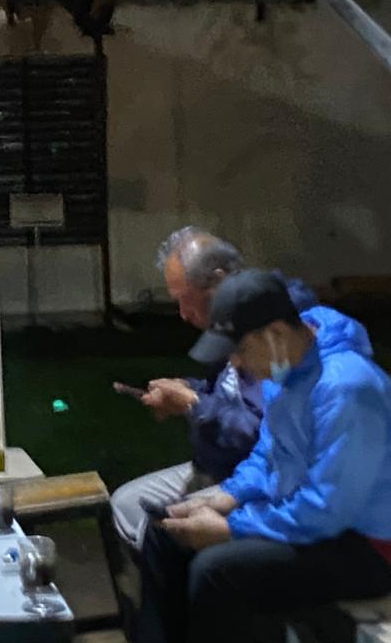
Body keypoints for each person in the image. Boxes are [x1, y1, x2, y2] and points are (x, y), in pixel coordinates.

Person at [127, 270, 391, 643]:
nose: (234, 364)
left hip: (371, 546)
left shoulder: (346, 388)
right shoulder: (286, 374)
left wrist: (231, 528)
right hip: (317, 519)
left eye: (240, 350)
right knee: (165, 535)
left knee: (218, 571)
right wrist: (224, 497)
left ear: (276, 334)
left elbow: (326, 509)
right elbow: (268, 456)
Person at [110, 227, 318, 550]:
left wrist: (193, 404)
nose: (183, 314)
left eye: (185, 298)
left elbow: (260, 432)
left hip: (262, 477)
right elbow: (230, 391)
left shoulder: (273, 326)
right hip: (222, 468)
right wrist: (186, 389)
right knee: (127, 506)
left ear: (218, 280)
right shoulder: (235, 316)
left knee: (163, 533)